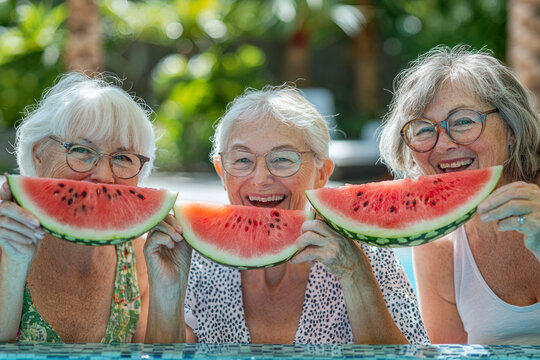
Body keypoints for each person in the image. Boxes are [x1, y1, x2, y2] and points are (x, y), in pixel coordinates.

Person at [144, 85, 428, 344]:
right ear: (222, 172)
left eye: (282, 159)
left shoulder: (369, 254)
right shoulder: (195, 259)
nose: (260, 179)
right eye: (242, 160)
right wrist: (167, 291)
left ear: (322, 174)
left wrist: (355, 276)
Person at [379, 45, 540, 344]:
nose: (442, 145)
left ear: (512, 128)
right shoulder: (437, 244)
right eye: (423, 129)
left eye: (463, 121)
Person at [0, 72, 174, 342]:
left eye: (124, 157)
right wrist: (11, 264)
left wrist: (169, 289)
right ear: (38, 154)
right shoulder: (4, 234)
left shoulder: (141, 255)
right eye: (81, 150)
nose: (104, 176)